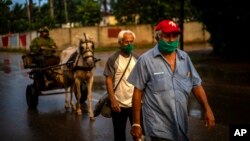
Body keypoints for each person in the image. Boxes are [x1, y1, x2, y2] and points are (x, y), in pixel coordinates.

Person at [128, 19, 215, 141]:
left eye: (175, 35)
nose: (171, 39)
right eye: (167, 36)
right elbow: (138, 92)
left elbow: (196, 85)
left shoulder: (184, 58)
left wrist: (207, 109)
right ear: (157, 37)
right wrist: (136, 123)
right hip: (158, 127)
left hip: (181, 125)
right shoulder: (145, 61)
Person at [103, 30, 138, 141]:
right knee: (119, 136)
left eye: (131, 42)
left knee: (138, 135)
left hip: (135, 104)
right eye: (126, 42)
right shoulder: (113, 59)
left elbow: (141, 80)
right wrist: (113, 100)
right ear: (120, 43)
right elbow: (108, 80)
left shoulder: (137, 58)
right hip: (119, 105)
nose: (129, 44)